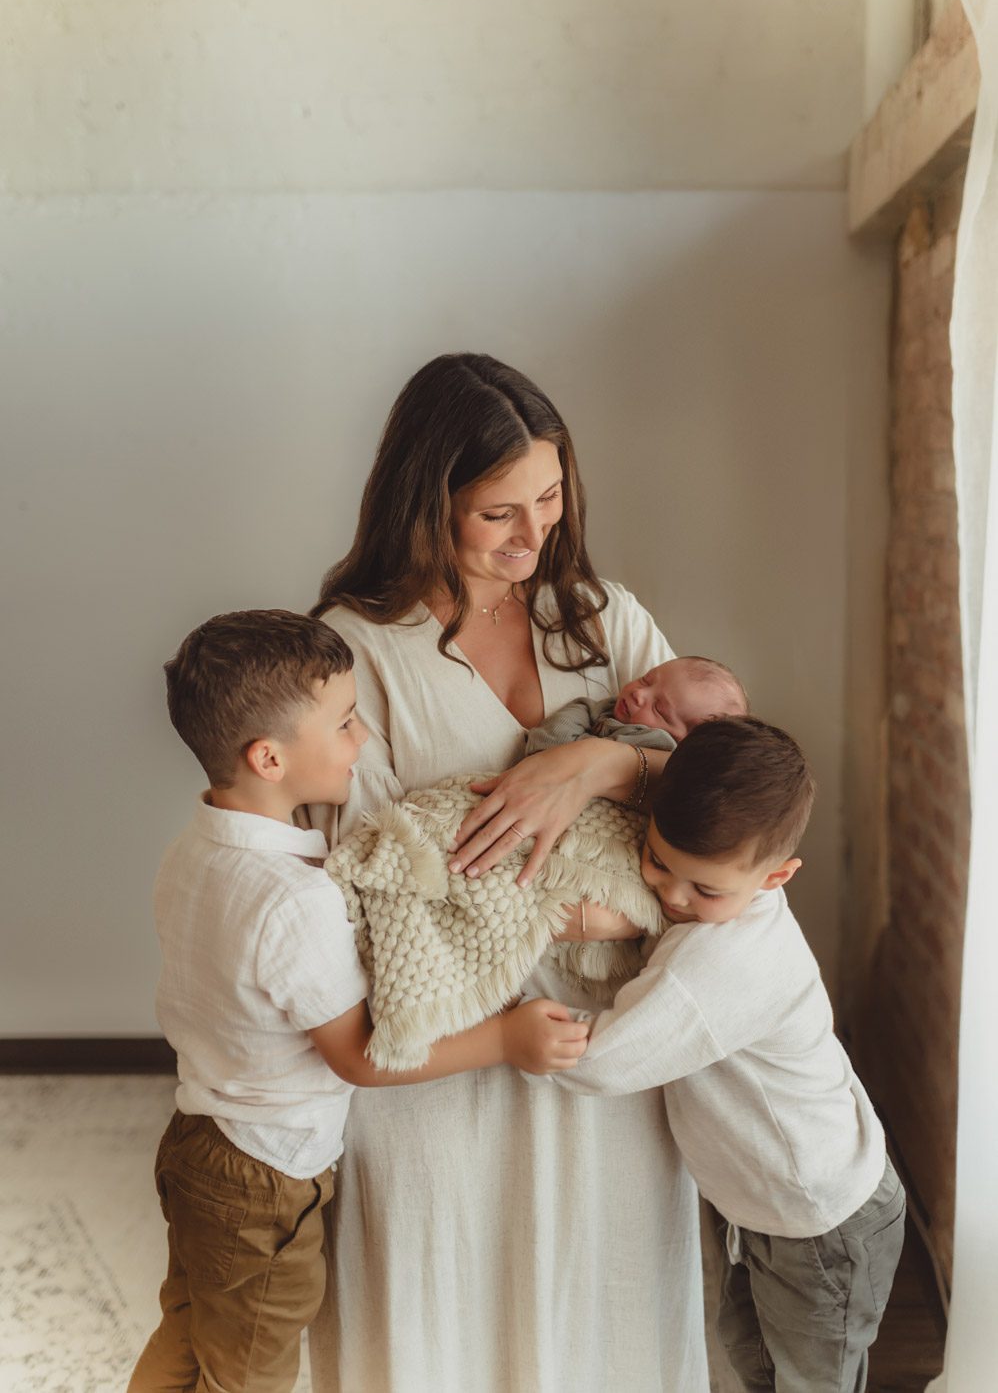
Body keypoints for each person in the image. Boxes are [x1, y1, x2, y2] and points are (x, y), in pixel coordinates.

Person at [303, 352, 710, 1393]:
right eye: (498, 515)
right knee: (439, 1321)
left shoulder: (603, 620)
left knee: (601, 1309)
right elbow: (357, 870)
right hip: (446, 1044)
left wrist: (600, 762)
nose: (533, 539)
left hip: (599, 1039)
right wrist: (539, 911)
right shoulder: (355, 650)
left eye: (549, 498)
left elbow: (720, 788)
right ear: (421, 500)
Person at [129, 609, 588, 1393]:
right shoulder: (292, 902)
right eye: (344, 723)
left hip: (198, 1140)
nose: (363, 740)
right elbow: (360, 1057)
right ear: (269, 757)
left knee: (194, 1329)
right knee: (252, 1373)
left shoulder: (192, 852)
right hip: (266, 1175)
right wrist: (505, 1039)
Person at [552, 716, 906, 1393]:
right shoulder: (714, 916)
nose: (672, 896)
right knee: (754, 1359)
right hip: (771, 1207)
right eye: (657, 861)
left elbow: (602, 1060)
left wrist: (524, 1030)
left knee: (812, 1380)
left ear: (778, 876)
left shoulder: (723, 960)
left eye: (705, 890)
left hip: (825, 1220)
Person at [523, 654, 749, 755]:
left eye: (659, 708)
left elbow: (552, 750)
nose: (639, 694)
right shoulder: (611, 710)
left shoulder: (655, 745)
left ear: (686, 742)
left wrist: (579, 717)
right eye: (646, 679)